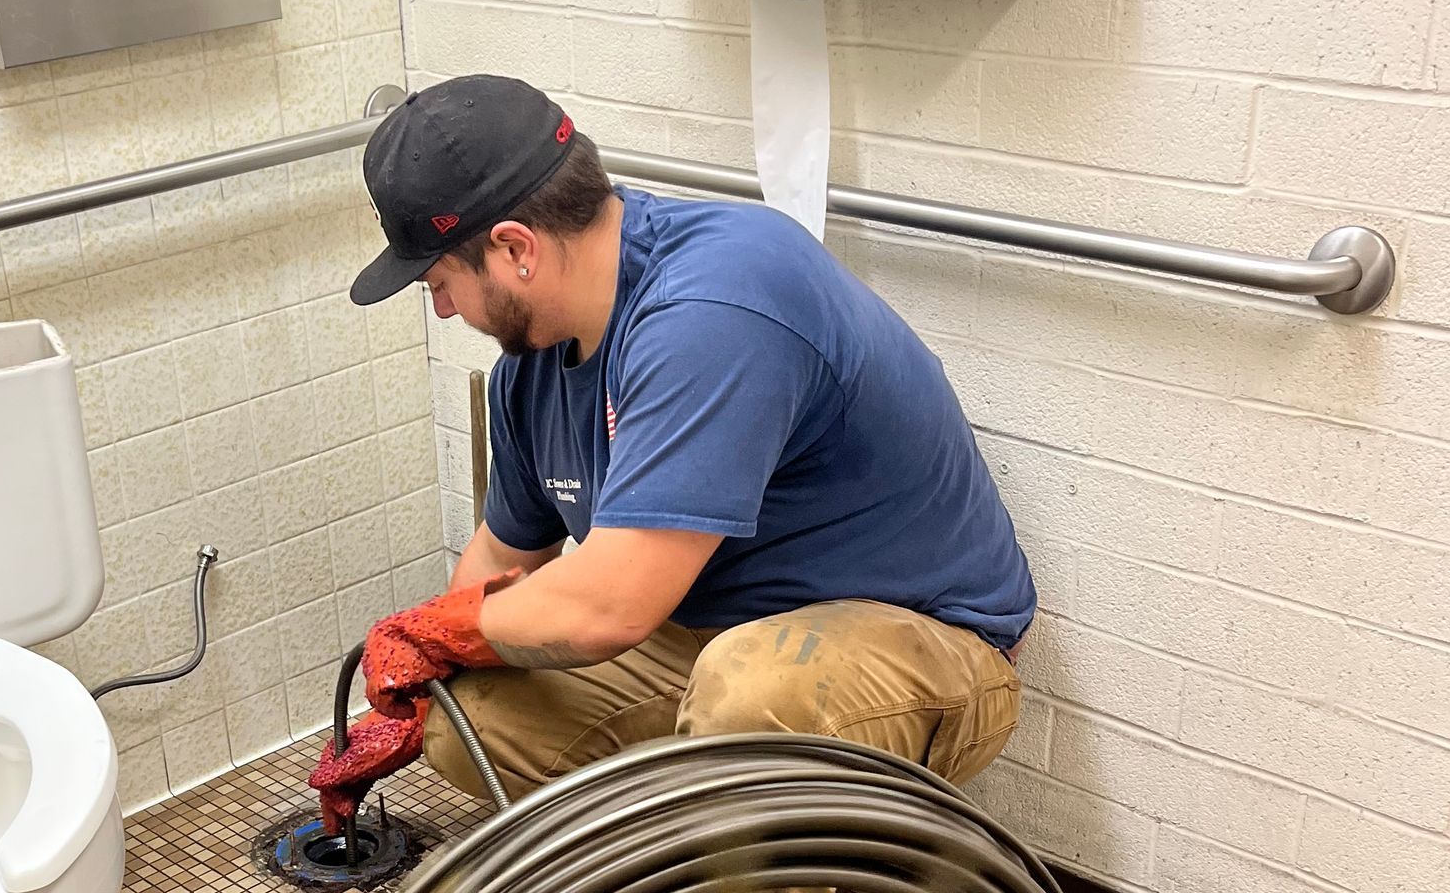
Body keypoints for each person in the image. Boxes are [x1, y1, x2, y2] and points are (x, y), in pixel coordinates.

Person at [309, 72, 1034, 843]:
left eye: (439, 281)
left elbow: (611, 607)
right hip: (719, 634)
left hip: (927, 646)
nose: (445, 308)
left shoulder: (715, 304)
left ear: (514, 248)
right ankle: (710, 869)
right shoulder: (531, 371)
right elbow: (499, 559)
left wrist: (434, 633)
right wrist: (425, 684)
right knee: (471, 719)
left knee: (751, 699)